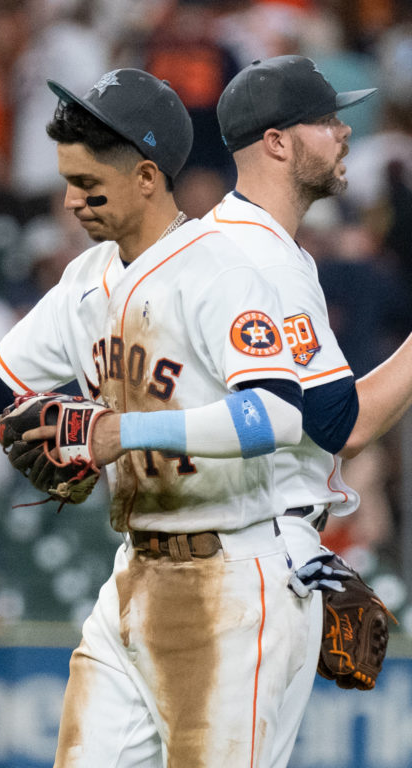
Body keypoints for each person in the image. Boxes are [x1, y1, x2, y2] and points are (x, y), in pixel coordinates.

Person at [0, 68, 310, 766]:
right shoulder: (85, 280)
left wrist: (122, 431)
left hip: (231, 581)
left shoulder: (222, 271)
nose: (70, 200)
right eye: (67, 181)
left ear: (146, 177)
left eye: (88, 184)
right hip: (134, 576)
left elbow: (277, 413)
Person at [206, 54, 409, 763]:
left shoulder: (237, 243)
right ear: (276, 142)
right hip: (245, 565)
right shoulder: (259, 258)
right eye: (325, 120)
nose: (344, 132)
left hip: (239, 549)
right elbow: (342, 425)